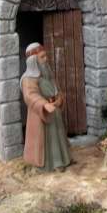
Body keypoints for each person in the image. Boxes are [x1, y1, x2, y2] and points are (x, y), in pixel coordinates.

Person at [20, 42, 72, 172]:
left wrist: (59, 98)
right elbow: (30, 96)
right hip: (41, 115)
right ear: (33, 61)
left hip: (54, 111)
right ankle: (52, 164)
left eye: (45, 56)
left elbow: (56, 88)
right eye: (42, 57)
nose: (46, 59)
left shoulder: (48, 74)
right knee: (48, 140)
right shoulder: (28, 79)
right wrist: (44, 104)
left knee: (58, 136)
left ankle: (64, 159)